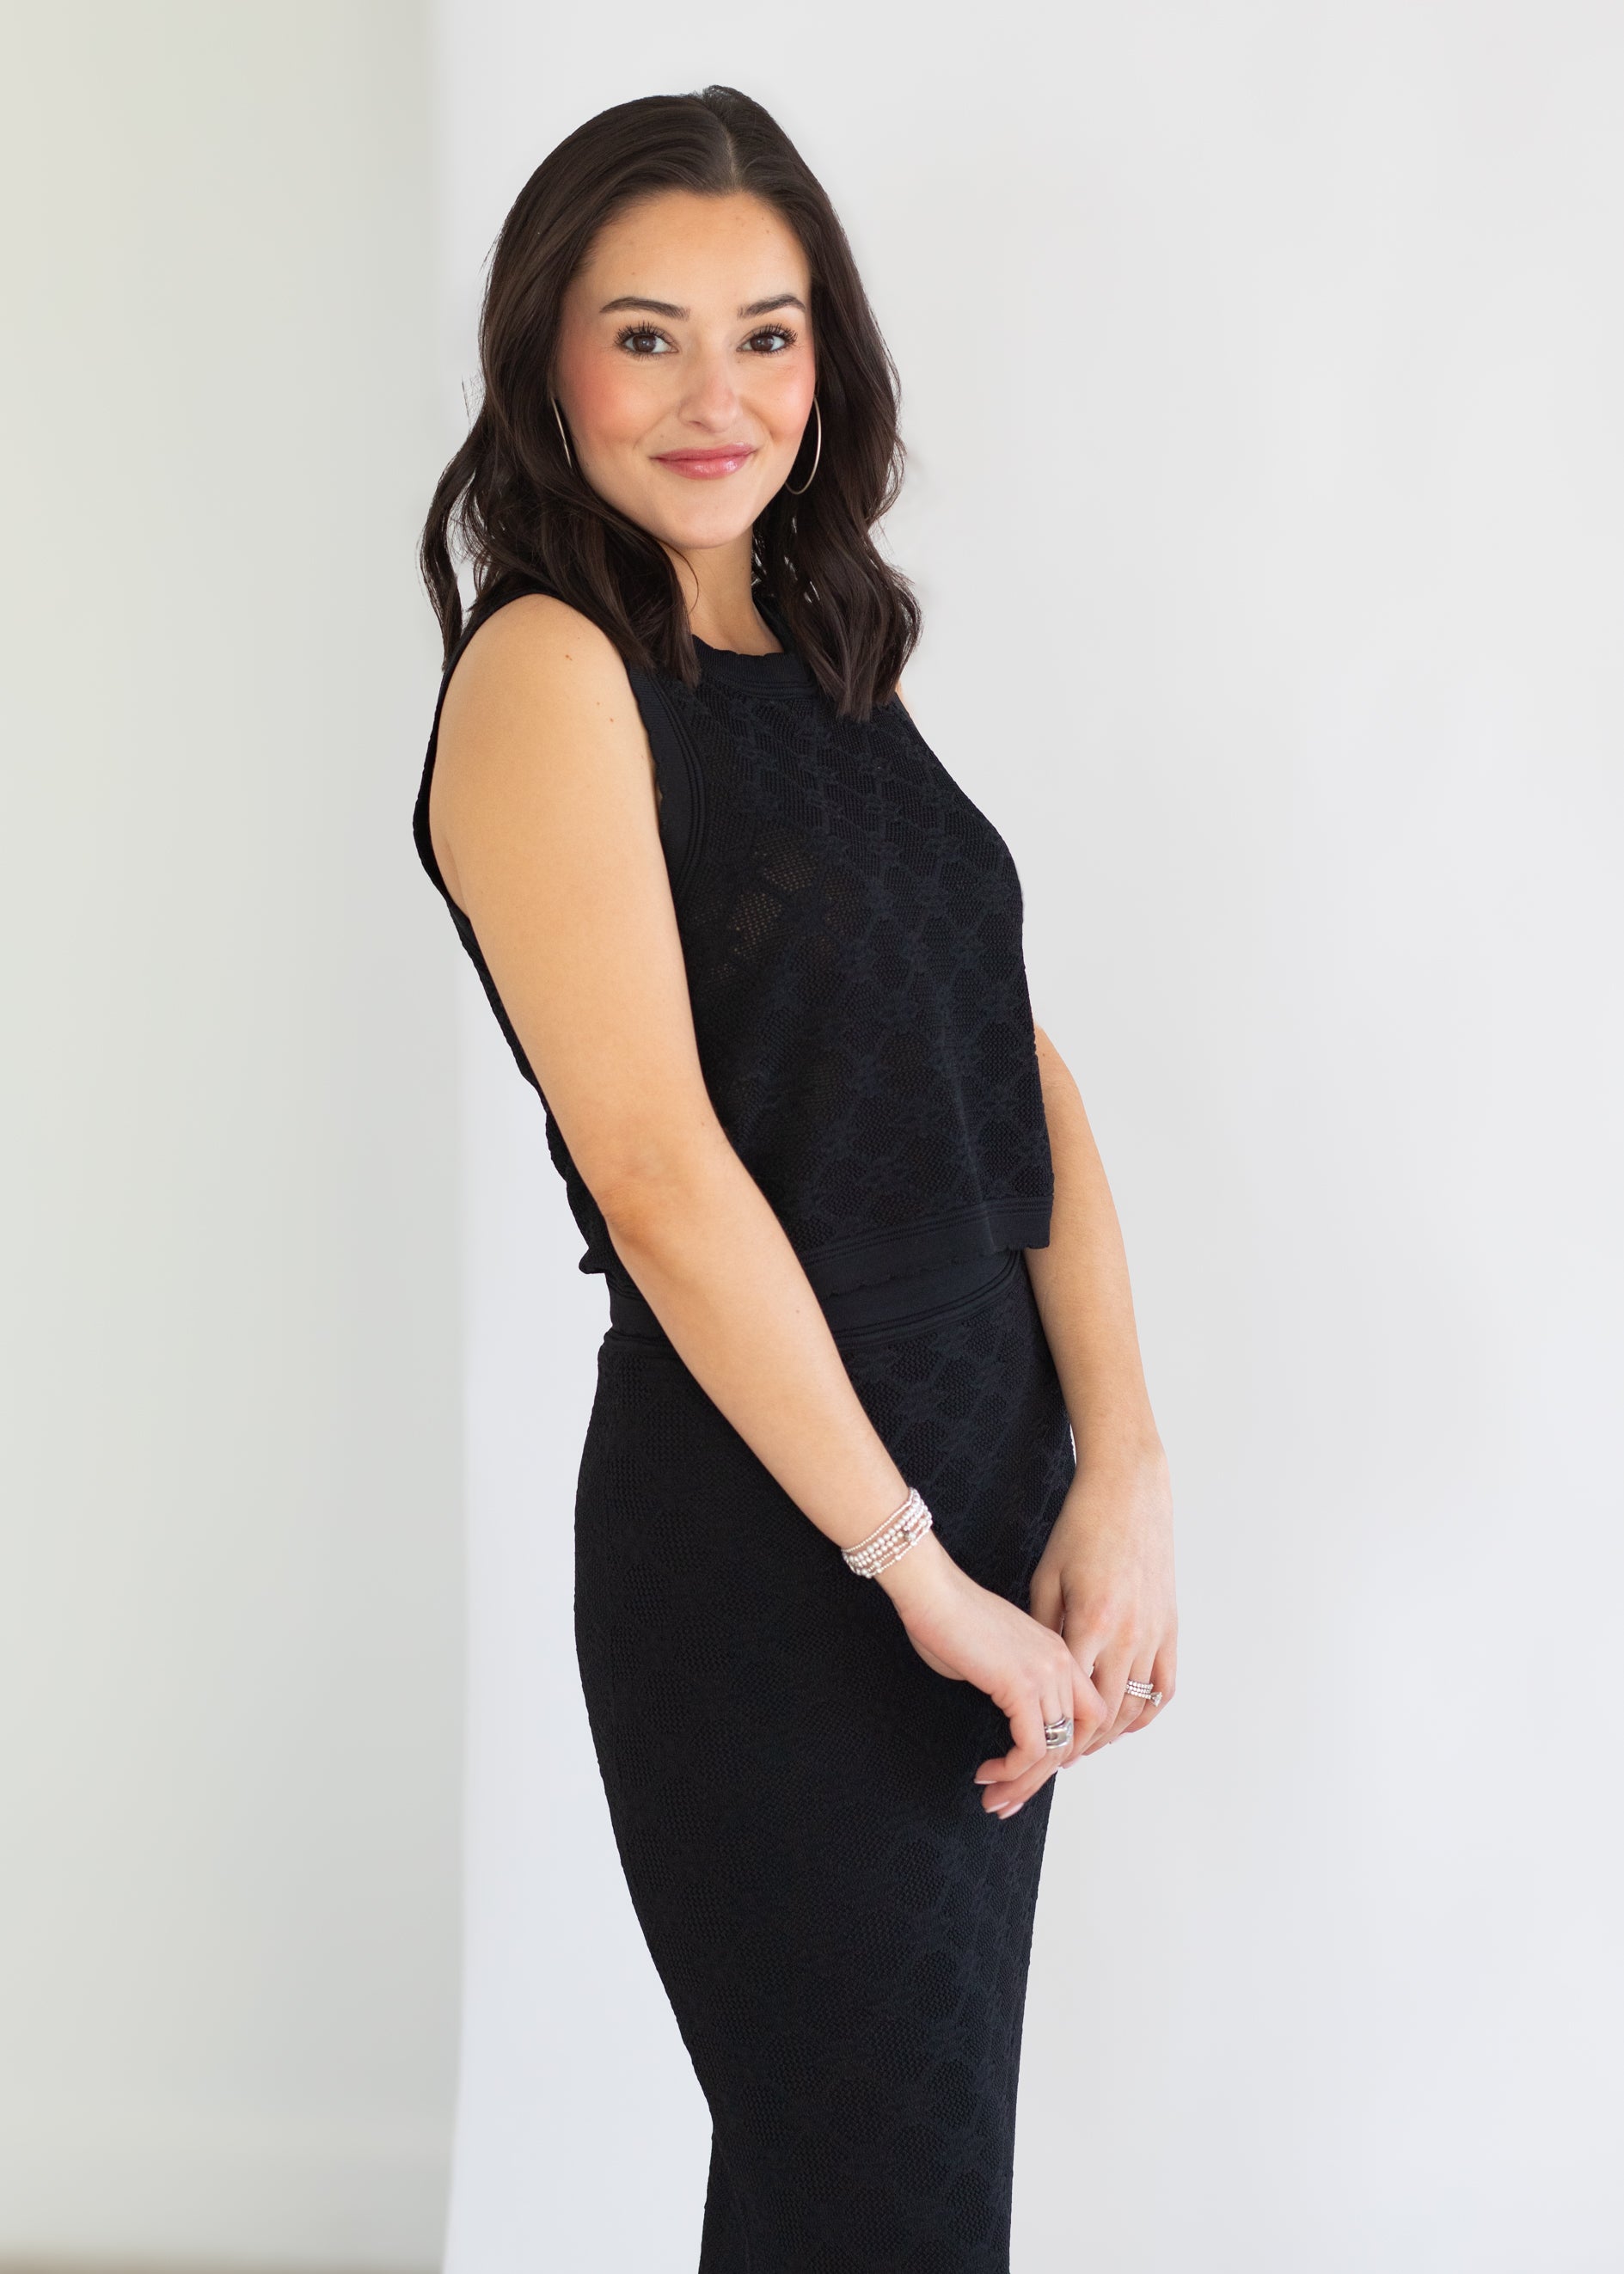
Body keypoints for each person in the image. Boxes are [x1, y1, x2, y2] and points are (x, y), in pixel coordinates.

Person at [413, 83, 1175, 2274]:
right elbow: (659, 1174)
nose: (716, 396)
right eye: (645, 336)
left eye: (766, 334)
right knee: (880, 2216)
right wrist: (914, 1572)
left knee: (875, 2209)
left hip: (977, 1498)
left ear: (826, 357)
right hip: (784, 1553)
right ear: (546, 358)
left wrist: (1121, 1463)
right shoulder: (550, 672)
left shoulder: (824, 648)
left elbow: (1013, 1065)